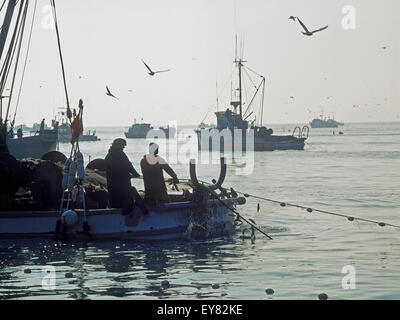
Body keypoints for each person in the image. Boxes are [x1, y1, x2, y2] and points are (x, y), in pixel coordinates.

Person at [104, 138, 148, 215]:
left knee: (114, 198)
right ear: (118, 145)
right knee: (128, 196)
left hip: (111, 182)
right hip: (122, 182)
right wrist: (136, 174)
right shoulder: (120, 154)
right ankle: (127, 212)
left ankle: (115, 210)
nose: (123, 148)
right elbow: (128, 165)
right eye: (123, 146)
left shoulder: (108, 155)